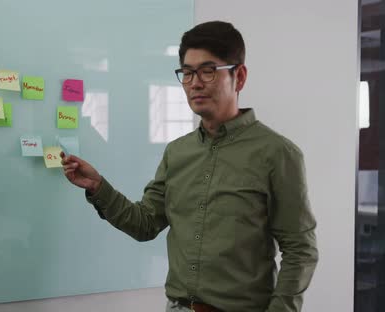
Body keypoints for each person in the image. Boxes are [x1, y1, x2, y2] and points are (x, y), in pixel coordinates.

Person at [60, 21, 318, 312]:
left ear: (240, 76)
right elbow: (145, 223)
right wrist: (98, 187)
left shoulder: (278, 154)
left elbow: (301, 250)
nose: (195, 82)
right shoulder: (177, 152)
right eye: (187, 72)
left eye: (208, 71)